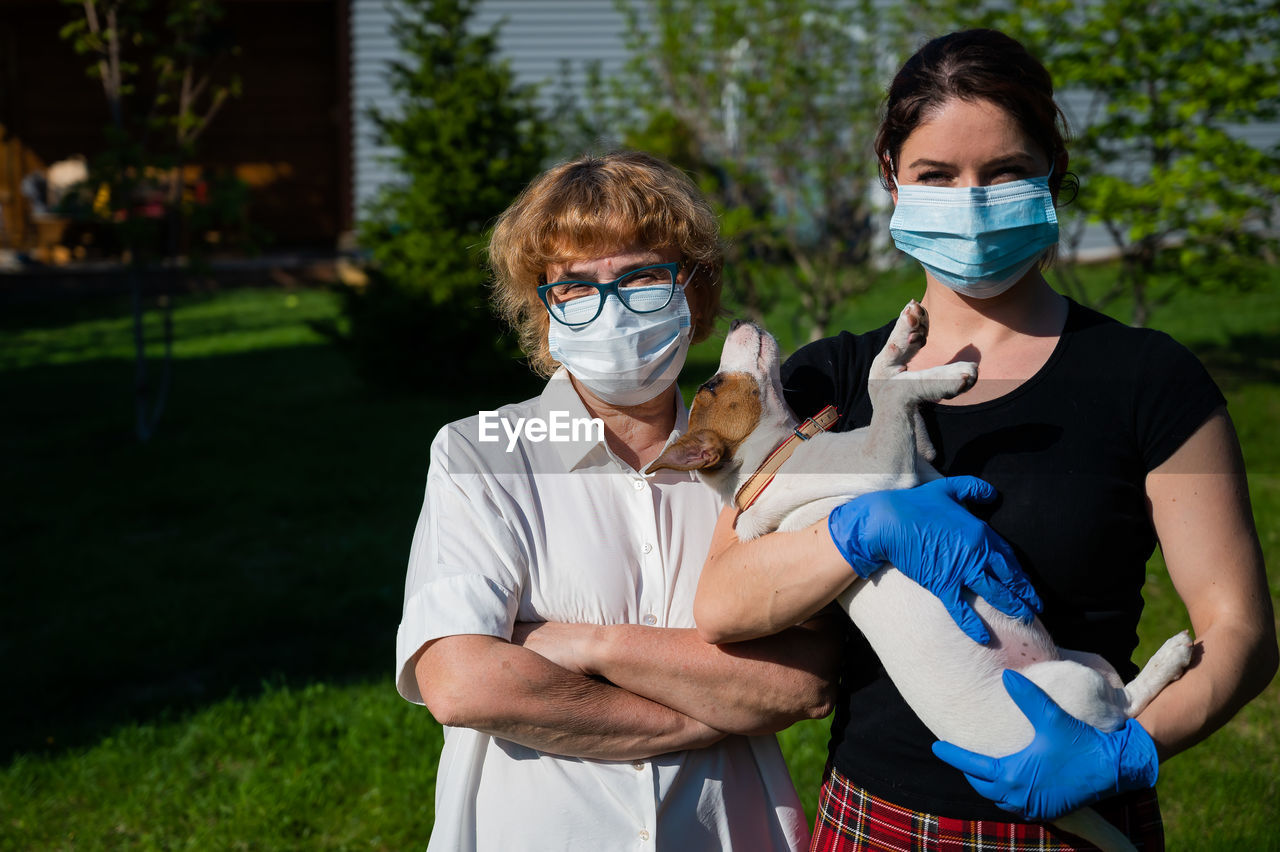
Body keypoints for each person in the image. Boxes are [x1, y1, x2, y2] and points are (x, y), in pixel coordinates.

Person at [693, 29, 1277, 851]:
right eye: (936, 175)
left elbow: (1241, 631)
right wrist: (857, 531)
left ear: (1052, 174)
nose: (970, 200)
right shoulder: (827, 383)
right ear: (893, 180)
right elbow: (723, 602)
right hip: (879, 821)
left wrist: (1130, 751)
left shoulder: (1148, 377)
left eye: (1003, 173)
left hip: (1079, 822)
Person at [395, 151, 842, 851]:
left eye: (642, 276)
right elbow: (461, 683)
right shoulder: (482, 455)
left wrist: (578, 642)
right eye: (573, 287)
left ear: (694, 295)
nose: (610, 306)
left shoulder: (757, 463)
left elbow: (805, 684)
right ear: (543, 313)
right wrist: (711, 708)